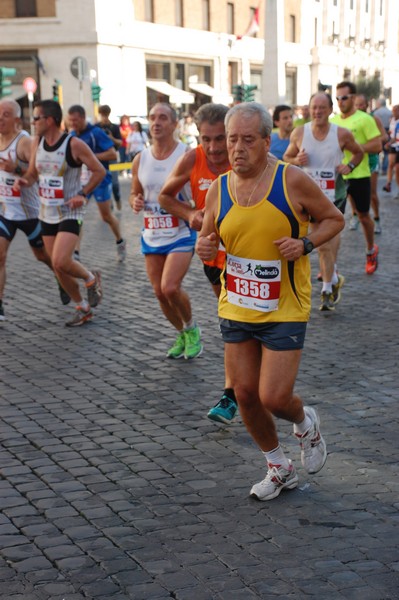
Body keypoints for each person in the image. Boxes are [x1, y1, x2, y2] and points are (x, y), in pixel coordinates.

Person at [196, 102, 344, 501]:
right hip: (237, 304)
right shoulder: (218, 188)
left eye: (248, 139)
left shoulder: (291, 180)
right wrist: (203, 244)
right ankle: (278, 467)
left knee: (274, 398)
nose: (237, 148)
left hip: (285, 306)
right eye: (232, 140)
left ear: (266, 141)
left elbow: (333, 219)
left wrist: (305, 243)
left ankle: (306, 422)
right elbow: (208, 241)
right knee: (243, 394)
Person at [159, 103, 237, 423]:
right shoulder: (193, 158)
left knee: (236, 324)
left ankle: (230, 395)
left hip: (249, 255)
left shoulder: (244, 156)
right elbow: (165, 197)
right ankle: (238, 386)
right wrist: (190, 214)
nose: (215, 148)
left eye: (221, 139)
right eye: (207, 139)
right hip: (212, 257)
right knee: (232, 322)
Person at [17, 99, 105, 327]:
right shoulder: (38, 142)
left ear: (50, 120)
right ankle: (82, 307)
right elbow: (33, 175)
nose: (33, 122)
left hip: (70, 212)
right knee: (57, 266)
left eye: (36, 118)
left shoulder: (73, 144)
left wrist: (83, 194)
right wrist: (23, 181)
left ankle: (91, 278)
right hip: (47, 212)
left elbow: (99, 170)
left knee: (60, 259)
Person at [129, 102, 202, 360]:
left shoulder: (187, 155)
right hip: (151, 233)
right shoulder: (141, 158)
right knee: (159, 292)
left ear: (174, 124)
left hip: (180, 231)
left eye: (163, 118)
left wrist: (191, 208)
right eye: (152, 118)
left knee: (170, 287)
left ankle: (192, 329)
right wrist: (135, 201)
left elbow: (201, 191)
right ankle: (181, 332)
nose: (157, 122)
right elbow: (134, 193)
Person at [284, 92, 363, 311]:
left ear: (330, 110)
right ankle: (333, 278)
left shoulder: (342, 134)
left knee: (326, 243)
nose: (317, 112)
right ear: (309, 110)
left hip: (333, 195)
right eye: (314, 108)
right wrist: (295, 159)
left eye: (322, 108)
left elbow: (358, 153)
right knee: (322, 245)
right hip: (308, 196)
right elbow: (286, 158)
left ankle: (327, 288)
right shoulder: (300, 133)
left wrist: (350, 166)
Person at [0, 99, 71, 321]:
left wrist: (17, 169)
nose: (0, 117)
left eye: (5, 114)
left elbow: (40, 173)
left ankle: (62, 278)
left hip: (31, 214)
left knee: (44, 256)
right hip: (5, 212)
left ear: (17, 120)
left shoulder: (25, 143)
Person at [330, 81, 382, 274]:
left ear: (353, 98)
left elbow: (377, 145)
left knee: (363, 215)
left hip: (359, 174)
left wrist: (354, 147)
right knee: (334, 220)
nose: (340, 102)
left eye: (344, 98)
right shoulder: (333, 121)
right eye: (337, 98)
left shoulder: (364, 119)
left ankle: (370, 250)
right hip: (337, 177)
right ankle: (330, 265)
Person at [67, 105, 126, 262]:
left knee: (106, 216)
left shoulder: (96, 133)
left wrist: (90, 157)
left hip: (100, 178)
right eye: (70, 120)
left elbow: (112, 153)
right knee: (77, 216)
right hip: (80, 181)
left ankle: (120, 241)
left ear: (82, 117)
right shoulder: (72, 135)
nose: (72, 123)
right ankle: (76, 253)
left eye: (75, 120)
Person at [354, 94, 388, 234]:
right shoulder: (350, 120)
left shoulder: (373, 119)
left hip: (371, 160)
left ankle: (377, 218)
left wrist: (370, 141)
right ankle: (356, 215)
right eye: (357, 105)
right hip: (354, 162)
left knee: (372, 193)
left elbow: (384, 136)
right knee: (352, 194)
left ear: (367, 105)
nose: (360, 107)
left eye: (362, 104)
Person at [97, 104, 122, 210]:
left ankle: (117, 198)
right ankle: (109, 204)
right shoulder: (97, 127)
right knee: (104, 183)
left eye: (106, 114)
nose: (104, 117)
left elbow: (120, 143)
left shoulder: (114, 127)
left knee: (115, 183)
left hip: (113, 158)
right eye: (103, 114)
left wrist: (111, 138)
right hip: (101, 159)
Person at [382, 104, 399, 197]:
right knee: (391, 164)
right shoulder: (392, 120)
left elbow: (396, 136)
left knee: (397, 168)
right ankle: (388, 184)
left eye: (395, 110)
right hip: (393, 146)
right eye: (393, 110)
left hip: (397, 145)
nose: (393, 112)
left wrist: (388, 143)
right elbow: (391, 132)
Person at [373, 98, 392, 174]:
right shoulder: (390, 112)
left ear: (379, 104)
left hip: (379, 132)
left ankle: (377, 167)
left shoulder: (376, 113)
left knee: (377, 151)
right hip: (388, 132)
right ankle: (385, 168)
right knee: (387, 152)